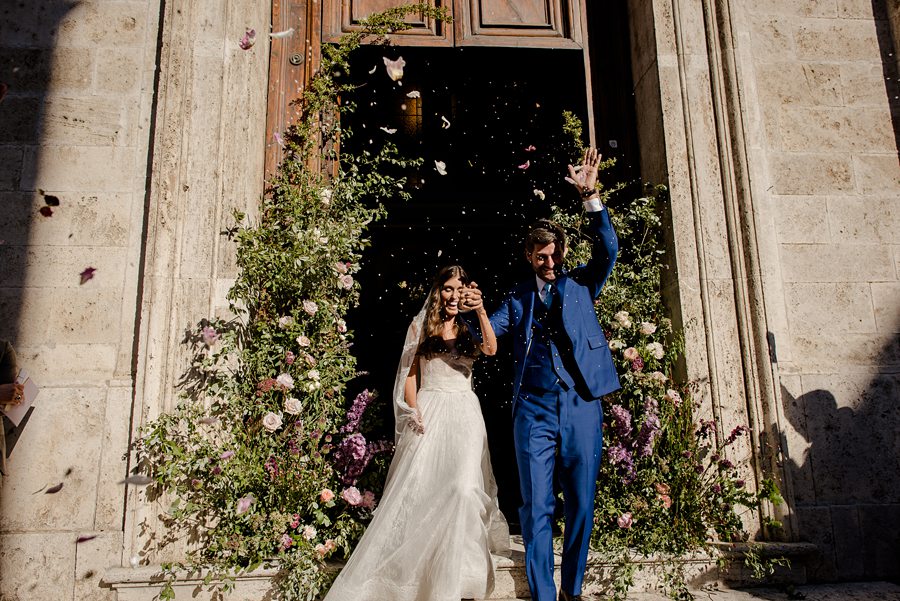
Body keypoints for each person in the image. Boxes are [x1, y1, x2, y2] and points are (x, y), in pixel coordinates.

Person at [462, 148, 620, 601]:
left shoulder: (583, 284)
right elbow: (485, 336)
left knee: (582, 505)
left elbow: (609, 248)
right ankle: (544, 595)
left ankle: (572, 590)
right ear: (529, 257)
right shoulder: (517, 300)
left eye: (554, 255)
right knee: (536, 509)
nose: (549, 263)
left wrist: (590, 196)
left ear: (562, 253)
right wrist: (469, 311)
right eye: (540, 257)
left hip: (582, 405)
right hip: (533, 411)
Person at [323, 265, 509, 601]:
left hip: (466, 413)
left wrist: (480, 309)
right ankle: (422, 576)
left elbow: (492, 349)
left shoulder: (469, 324)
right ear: (439, 291)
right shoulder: (420, 325)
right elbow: (409, 373)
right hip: (432, 408)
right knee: (426, 489)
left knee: (464, 489)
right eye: (448, 289)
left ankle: (458, 579)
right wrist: (413, 408)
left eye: (459, 288)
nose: (453, 296)